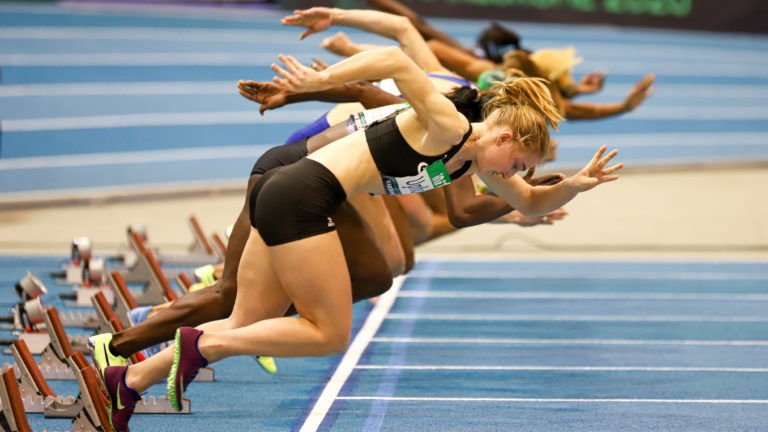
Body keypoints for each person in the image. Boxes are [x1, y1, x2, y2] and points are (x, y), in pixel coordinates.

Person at [97, 40, 620, 430]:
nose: (516, 176)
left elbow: (530, 202)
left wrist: (573, 185)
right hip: (305, 193)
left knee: (246, 317)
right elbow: (394, 58)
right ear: (503, 135)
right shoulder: (447, 126)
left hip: (286, 190)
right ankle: (202, 343)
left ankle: (130, 381)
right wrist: (307, 85)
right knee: (327, 332)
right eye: (519, 163)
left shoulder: (469, 165)